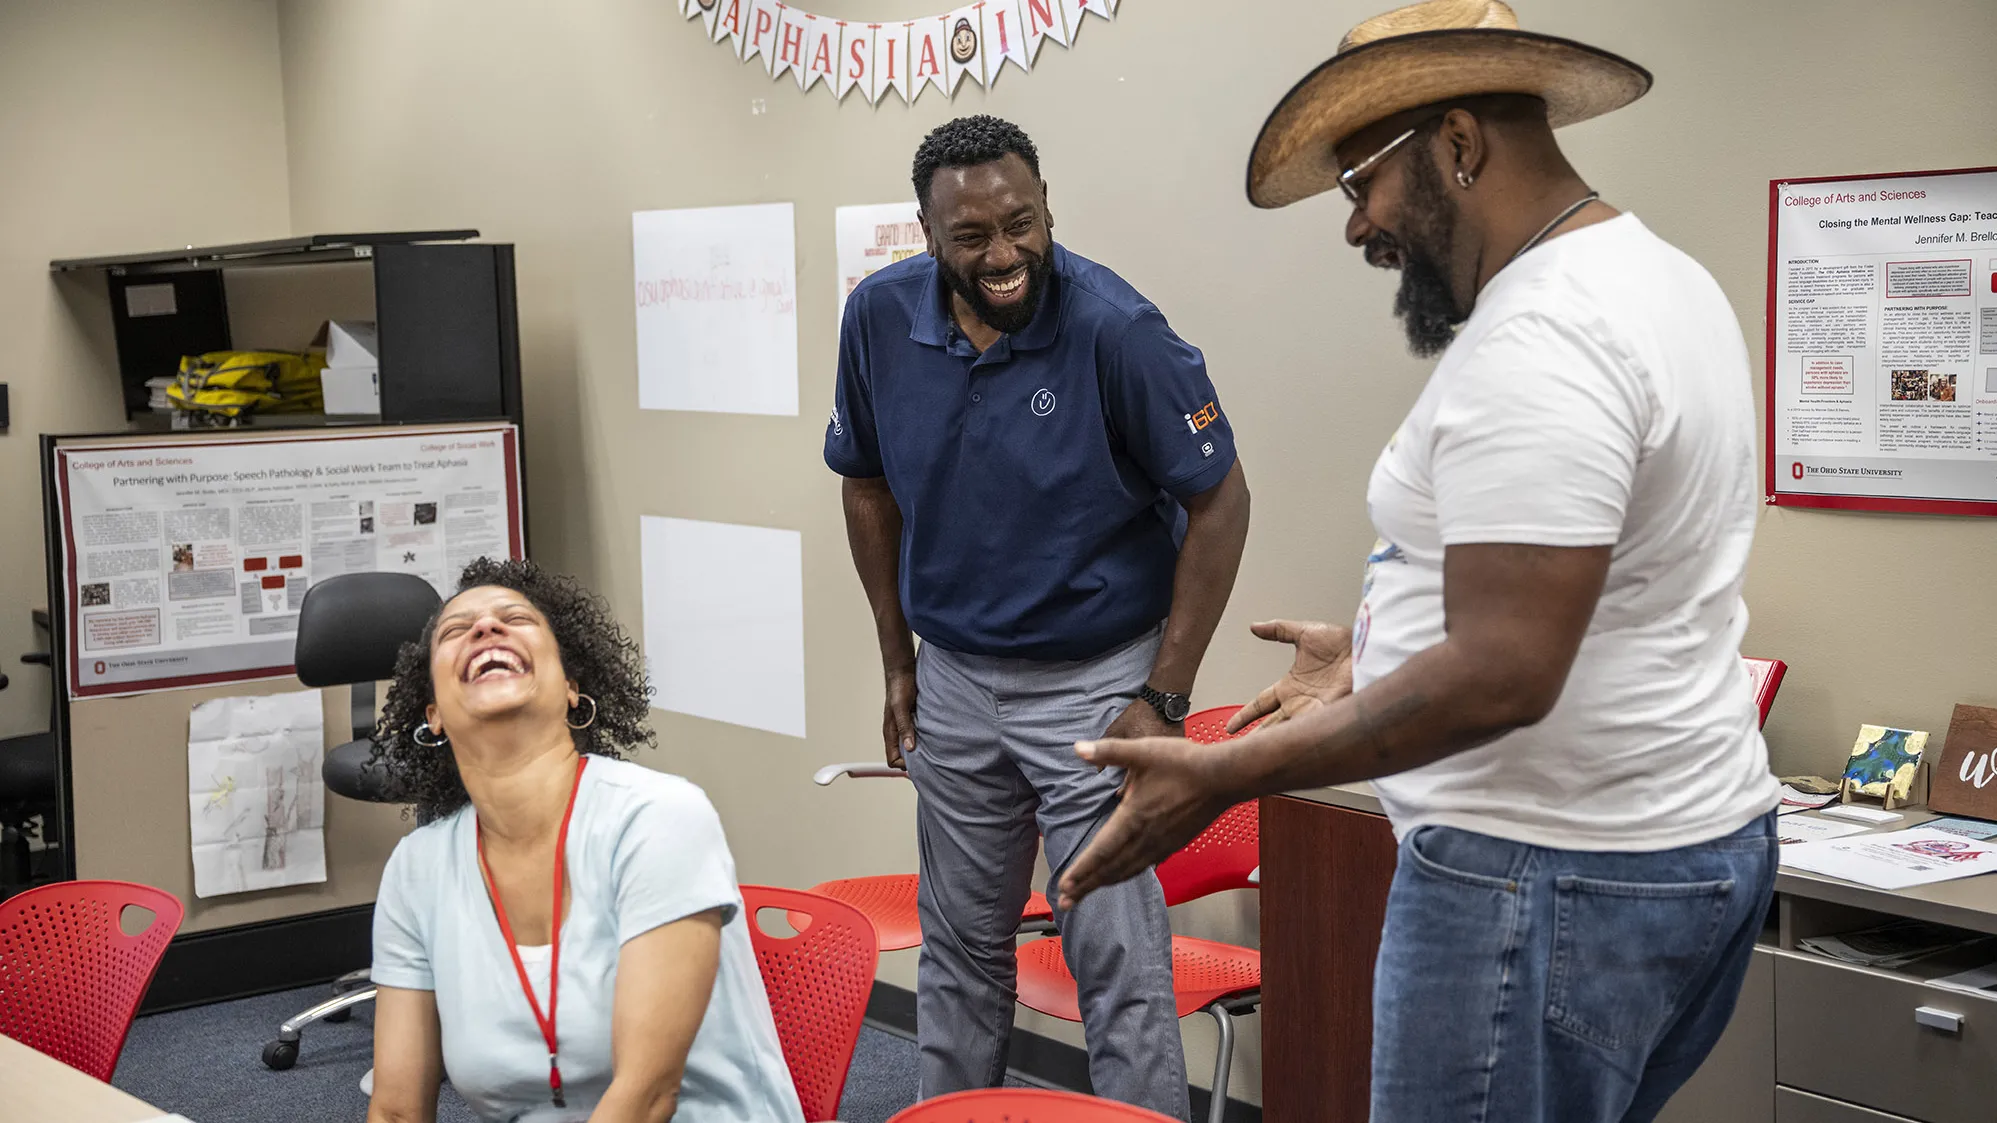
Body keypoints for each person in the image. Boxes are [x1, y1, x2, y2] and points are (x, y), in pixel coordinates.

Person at [1058, 3, 1782, 1120]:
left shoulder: (1541, 339)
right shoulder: (1660, 279)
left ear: (1456, 143)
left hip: (1537, 878)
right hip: (1674, 844)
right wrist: (1375, 654)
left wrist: (1223, 776)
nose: (1356, 229)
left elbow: (1502, 670)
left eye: (1360, 183)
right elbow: (1594, 587)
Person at [825, 114, 1250, 1116]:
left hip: (1099, 683)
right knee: (961, 953)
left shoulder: (1115, 327)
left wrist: (1163, 693)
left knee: (1116, 963)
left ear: (1047, 206)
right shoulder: (879, 317)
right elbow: (865, 487)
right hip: (956, 676)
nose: (1004, 253)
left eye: (1021, 223)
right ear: (928, 238)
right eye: (971, 237)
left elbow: (1219, 499)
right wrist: (898, 661)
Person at [363, 557, 803, 1123]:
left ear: (572, 688)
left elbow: (646, 1099)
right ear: (434, 716)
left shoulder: (656, 817)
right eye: (456, 629)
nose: (485, 629)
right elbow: (398, 1110)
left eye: (515, 619)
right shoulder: (416, 869)